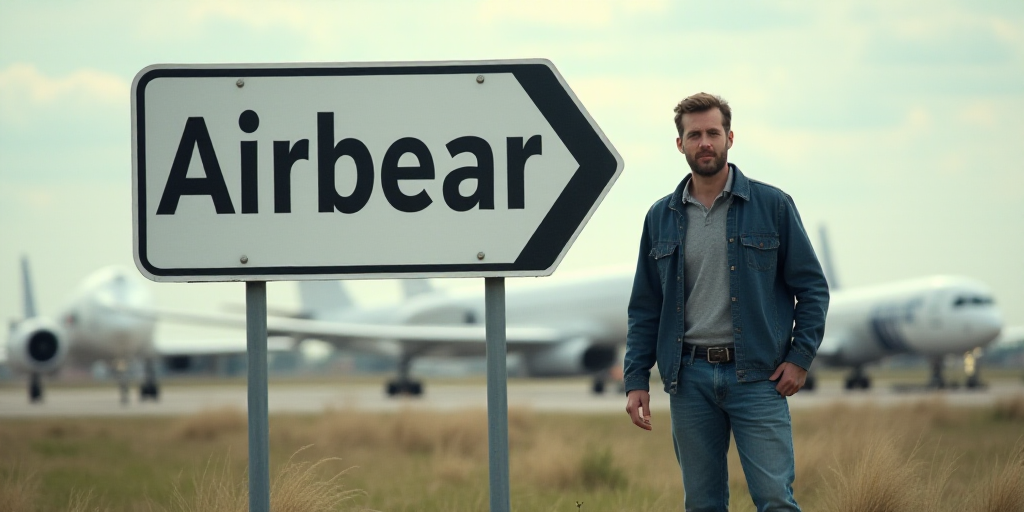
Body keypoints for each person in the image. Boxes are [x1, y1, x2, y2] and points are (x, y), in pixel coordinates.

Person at [623, 92, 829, 511]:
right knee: (702, 504)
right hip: (689, 378)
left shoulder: (772, 206)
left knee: (774, 499)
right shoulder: (660, 217)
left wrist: (801, 356)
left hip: (758, 376)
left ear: (730, 138)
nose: (705, 143)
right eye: (694, 134)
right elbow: (646, 307)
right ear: (679, 144)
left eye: (713, 133)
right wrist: (635, 379)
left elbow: (812, 289)